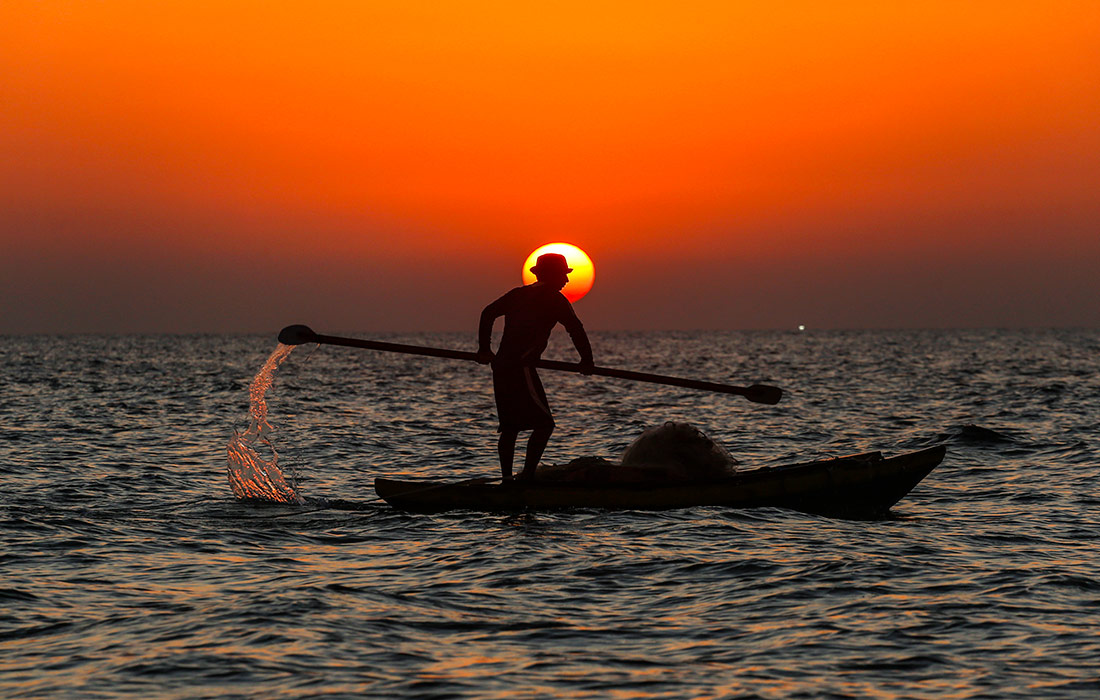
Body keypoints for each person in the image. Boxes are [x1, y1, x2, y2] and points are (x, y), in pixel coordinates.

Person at [477, 253, 594, 482]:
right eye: (563, 275)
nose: (566, 281)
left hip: (501, 366)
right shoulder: (554, 299)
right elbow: (575, 330)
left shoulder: (517, 294)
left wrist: (485, 350)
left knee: (511, 428)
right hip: (520, 367)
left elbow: (487, 313)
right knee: (544, 425)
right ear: (551, 275)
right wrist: (587, 361)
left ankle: (507, 480)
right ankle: (526, 479)